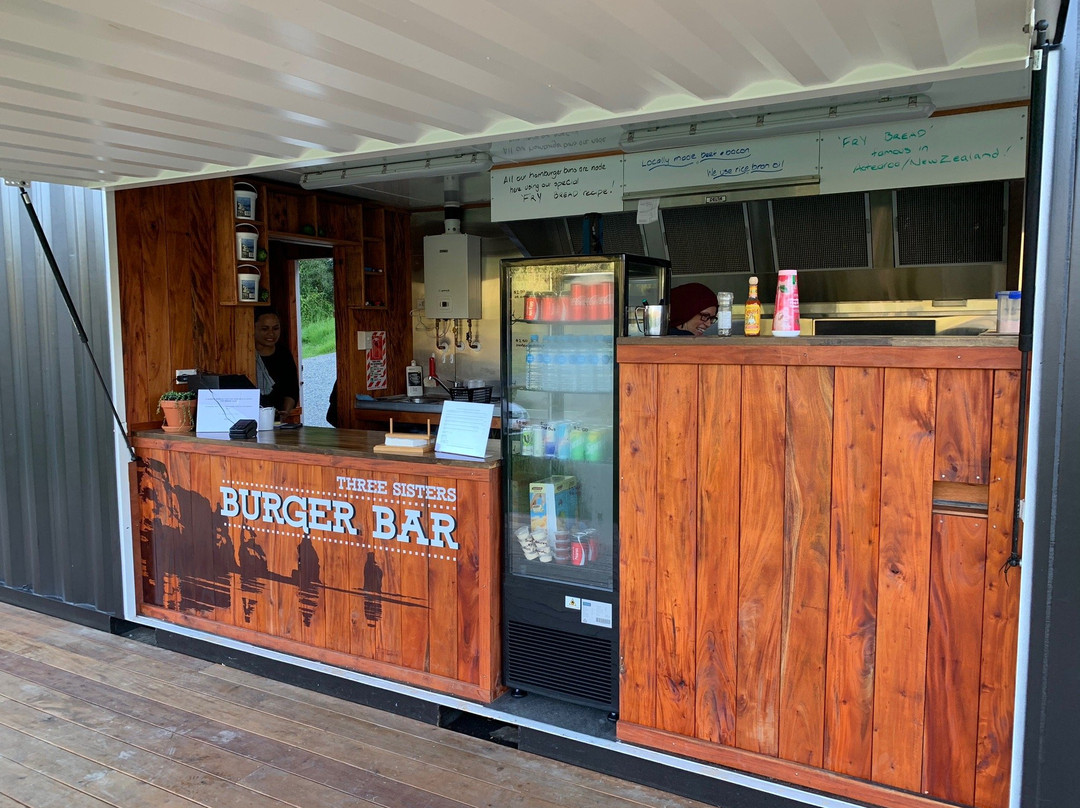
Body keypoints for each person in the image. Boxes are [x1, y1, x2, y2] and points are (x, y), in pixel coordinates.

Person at [254, 307, 299, 415]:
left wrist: (285, 411)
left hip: (277, 416)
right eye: (265, 329)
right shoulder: (245, 356)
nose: (271, 334)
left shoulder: (284, 354)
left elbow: (291, 389)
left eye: (275, 328)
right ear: (253, 328)